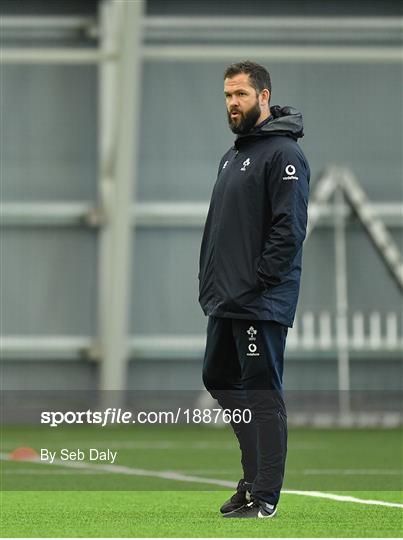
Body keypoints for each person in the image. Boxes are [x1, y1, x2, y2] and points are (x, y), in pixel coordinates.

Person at [198, 61, 310, 519]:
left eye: (241, 95)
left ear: (263, 97)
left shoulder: (284, 154)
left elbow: (289, 228)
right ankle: (251, 479)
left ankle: (265, 495)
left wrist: (260, 281)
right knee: (219, 378)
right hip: (226, 299)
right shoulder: (233, 155)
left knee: (263, 392)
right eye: (227, 95)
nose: (232, 104)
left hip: (258, 301)